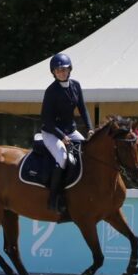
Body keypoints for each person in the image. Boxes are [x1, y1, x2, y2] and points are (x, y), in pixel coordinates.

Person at [41, 53, 93, 215]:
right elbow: (47, 120)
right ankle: (54, 197)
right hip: (52, 132)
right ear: (54, 73)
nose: (62, 73)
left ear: (70, 70)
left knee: (89, 152)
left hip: (70, 130)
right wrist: (61, 137)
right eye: (58, 70)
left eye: (64, 69)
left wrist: (90, 128)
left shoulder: (76, 85)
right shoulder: (51, 91)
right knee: (63, 158)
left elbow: (83, 108)